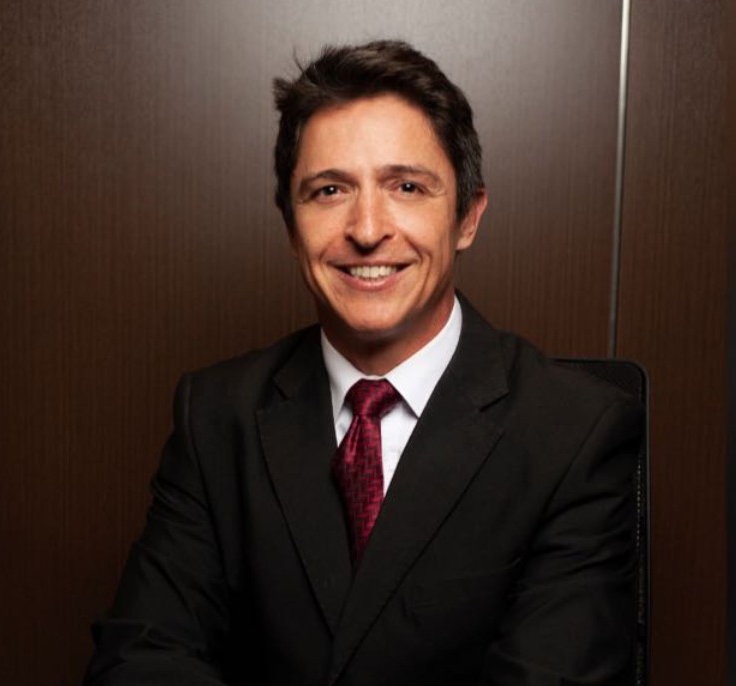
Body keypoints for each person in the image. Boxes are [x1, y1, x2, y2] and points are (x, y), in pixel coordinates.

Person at [85, 40, 642, 686]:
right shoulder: (215, 415)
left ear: (467, 216)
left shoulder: (576, 430)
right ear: (291, 226)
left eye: (406, 187)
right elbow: (141, 657)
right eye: (329, 190)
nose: (368, 229)